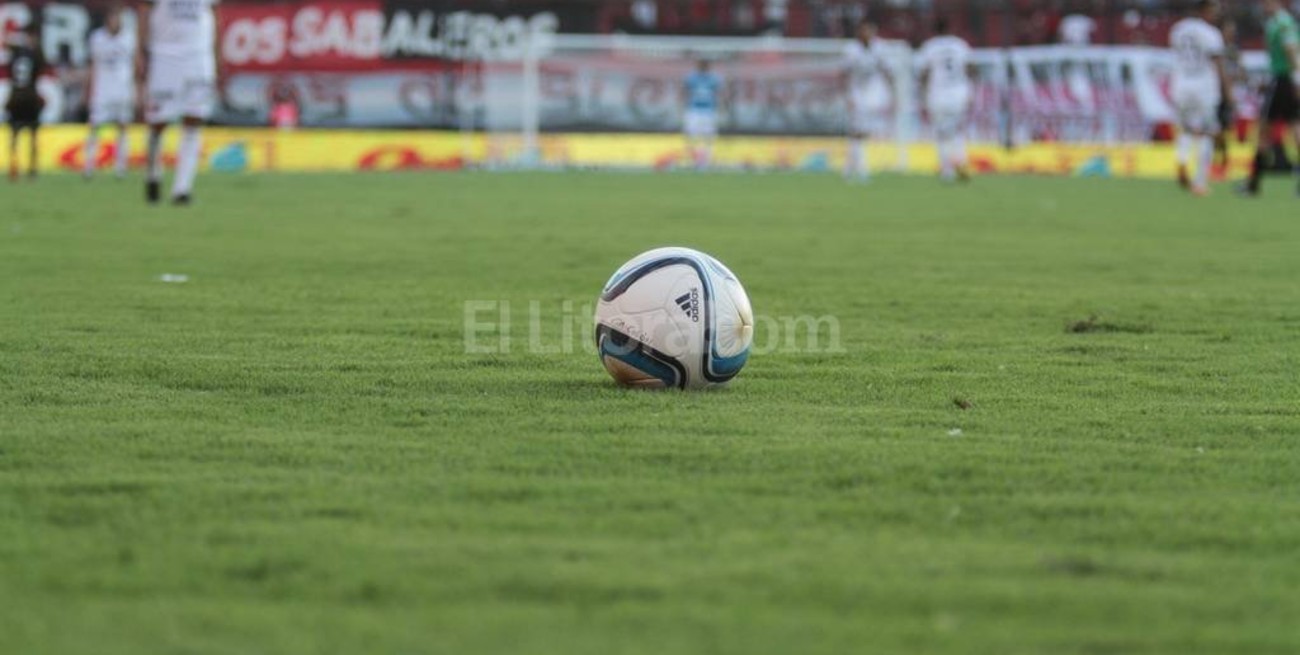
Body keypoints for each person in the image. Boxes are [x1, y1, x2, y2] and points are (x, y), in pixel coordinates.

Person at [139, 0, 220, 205]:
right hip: (165, 56)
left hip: (198, 58)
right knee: (158, 123)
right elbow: (144, 10)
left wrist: (216, 56)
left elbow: (215, 14)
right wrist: (142, 51)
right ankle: (153, 175)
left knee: (194, 120)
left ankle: (182, 189)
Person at [1239, 0, 1300, 197]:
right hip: (1285, 79)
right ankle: (1253, 182)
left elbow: (1292, 50)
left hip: (1283, 81)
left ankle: (1254, 182)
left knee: (1266, 130)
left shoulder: (1282, 23)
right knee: (1294, 127)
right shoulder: (1278, 22)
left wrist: (1296, 79)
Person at [1169, 0, 1229, 196]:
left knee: (1185, 130)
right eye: (1214, 9)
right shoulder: (1211, 33)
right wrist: (1227, 92)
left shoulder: (1178, 29)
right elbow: (1217, 64)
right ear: (1204, 10)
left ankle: (1182, 160)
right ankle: (1200, 182)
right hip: (1204, 86)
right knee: (1207, 133)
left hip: (1181, 84)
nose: (1217, 14)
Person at [917, 18, 974, 182]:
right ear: (950, 29)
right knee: (958, 130)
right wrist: (971, 90)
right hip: (959, 93)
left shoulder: (930, 47)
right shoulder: (960, 45)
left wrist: (922, 94)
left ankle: (946, 170)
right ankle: (961, 161)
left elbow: (925, 73)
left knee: (941, 133)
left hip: (938, 94)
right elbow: (970, 68)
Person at [85, 4, 136, 180]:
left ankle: (120, 169)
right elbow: (92, 65)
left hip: (122, 90)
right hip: (102, 91)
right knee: (94, 128)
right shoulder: (97, 38)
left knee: (122, 128)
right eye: (112, 18)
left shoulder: (129, 39)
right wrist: (89, 89)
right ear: (107, 20)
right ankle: (89, 167)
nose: (114, 22)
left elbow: (136, 66)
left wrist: (137, 90)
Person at [841, 20, 890, 182]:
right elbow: (844, 75)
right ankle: (862, 169)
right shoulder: (851, 50)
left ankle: (849, 168)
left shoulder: (880, 48)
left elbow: (887, 71)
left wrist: (892, 94)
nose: (867, 34)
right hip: (857, 94)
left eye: (870, 31)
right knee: (858, 132)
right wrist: (847, 96)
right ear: (859, 32)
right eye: (864, 31)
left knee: (859, 133)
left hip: (875, 95)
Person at [5, 22, 47, 181]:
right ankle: (32, 170)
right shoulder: (37, 53)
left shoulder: (16, 52)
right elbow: (41, 69)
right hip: (30, 97)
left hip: (15, 96)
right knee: (33, 135)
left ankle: (13, 168)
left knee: (15, 135)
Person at [682, 59, 723, 170]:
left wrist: (720, 107)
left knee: (709, 138)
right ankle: (693, 160)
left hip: (709, 111)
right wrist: (683, 106)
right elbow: (685, 91)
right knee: (691, 136)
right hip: (694, 111)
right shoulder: (691, 78)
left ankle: (705, 162)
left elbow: (719, 93)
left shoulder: (714, 78)